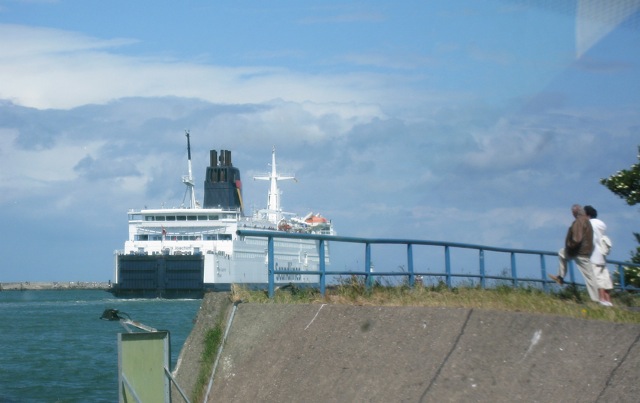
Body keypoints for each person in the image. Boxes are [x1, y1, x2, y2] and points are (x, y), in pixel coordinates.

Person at [548, 204, 599, 302]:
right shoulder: (586, 221)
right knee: (562, 253)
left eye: (572, 212)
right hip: (583, 251)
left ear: (575, 212)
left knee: (590, 277)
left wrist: (570, 245)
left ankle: (596, 300)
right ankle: (560, 277)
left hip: (579, 252)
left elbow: (577, 239)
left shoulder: (579, 222)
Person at [584, 205, 613, 307]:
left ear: (587, 215)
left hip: (593, 256)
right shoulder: (601, 224)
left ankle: (601, 300)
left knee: (597, 279)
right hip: (602, 255)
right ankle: (608, 300)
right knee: (605, 279)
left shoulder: (589, 224)